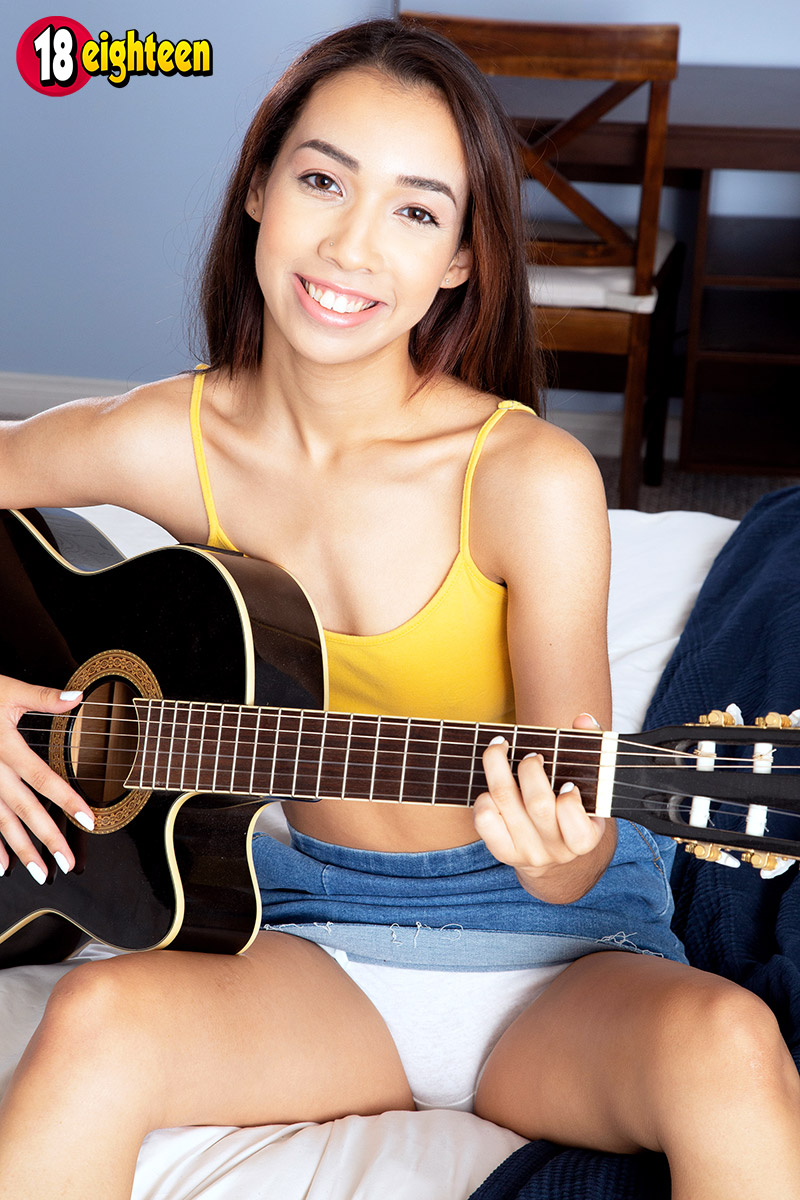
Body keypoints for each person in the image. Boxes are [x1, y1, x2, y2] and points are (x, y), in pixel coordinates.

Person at [0, 18, 798, 1200]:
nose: (352, 245)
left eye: (415, 212)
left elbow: (572, 836)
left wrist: (563, 850)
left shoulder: (525, 478)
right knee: (92, 1023)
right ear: (259, 188)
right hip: (312, 947)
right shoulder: (165, 439)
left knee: (730, 1047)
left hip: (560, 961)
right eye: (323, 181)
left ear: (461, 260)